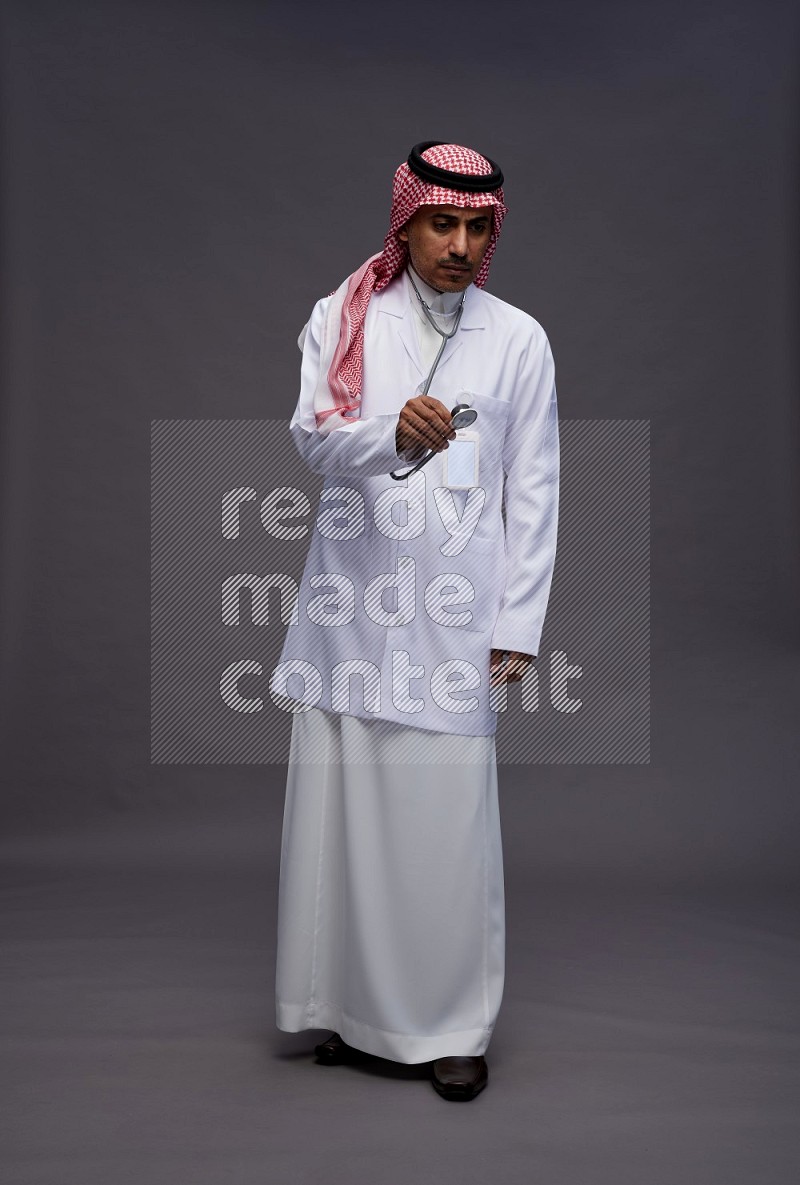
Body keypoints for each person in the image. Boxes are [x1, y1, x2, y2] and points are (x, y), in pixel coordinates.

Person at [272, 141, 560, 1101]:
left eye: (479, 227)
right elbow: (313, 439)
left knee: (443, 829)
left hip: (455, 621)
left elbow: (537, 491)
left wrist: (516, 623)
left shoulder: (517, 338)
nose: (462, 245)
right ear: (407, 223)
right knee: (345, 819)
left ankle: (449, 1027)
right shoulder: (345, 315)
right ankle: (353, 1016)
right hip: (352, 608)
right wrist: (386, 431)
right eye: (444, 223)